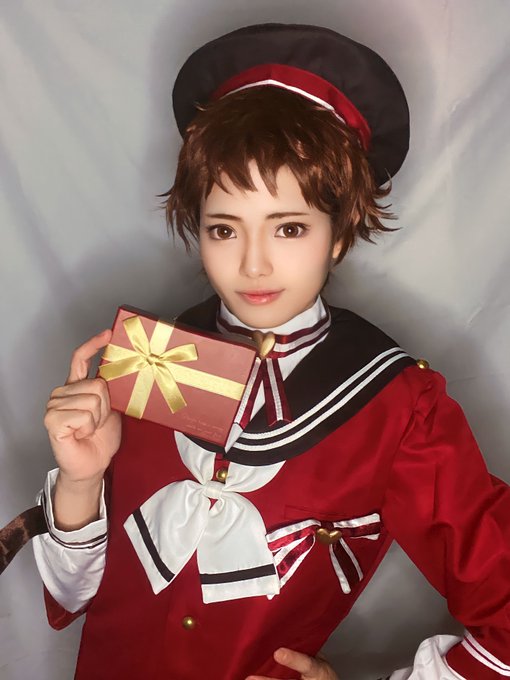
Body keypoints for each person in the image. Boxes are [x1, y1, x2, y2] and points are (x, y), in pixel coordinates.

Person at [32, 24, 510, 680]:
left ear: (339, 232)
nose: (253, 264)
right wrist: (81, 482)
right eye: (224, 229)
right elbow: (74, 596)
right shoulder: (150, 361)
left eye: (289, 228)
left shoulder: (399, 408)